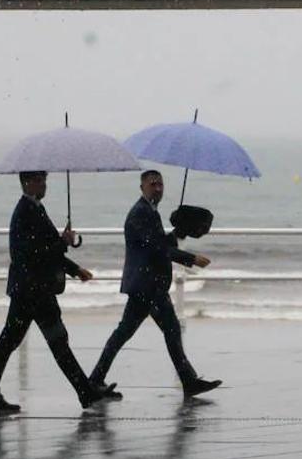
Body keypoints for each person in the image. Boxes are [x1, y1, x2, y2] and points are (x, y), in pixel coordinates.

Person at [0, 171, 113, 412]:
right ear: (27, 183)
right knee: (47, 341)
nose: (44, 184)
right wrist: (63, 242)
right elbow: (33, 254)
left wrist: (74, 267)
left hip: (31, 290)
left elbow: (49, 249)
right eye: (40, 180)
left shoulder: (35, 209)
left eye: (45, 180)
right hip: (32, 291)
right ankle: (85, 392)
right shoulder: (25, 212)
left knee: (18, 340)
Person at [89, 170, 222, 399]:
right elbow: (155, 249)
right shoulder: (141, 213)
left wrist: (179, 231)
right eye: (153, 185)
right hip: (146, 286)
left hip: (150, 285)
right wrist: (190, 258)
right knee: (141, 332)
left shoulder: (150, 212)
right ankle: (95, 381)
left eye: (160, 184)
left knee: (151, 331)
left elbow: (159, 242)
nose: (158, 188)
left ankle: (96, 380)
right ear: (142, 187)